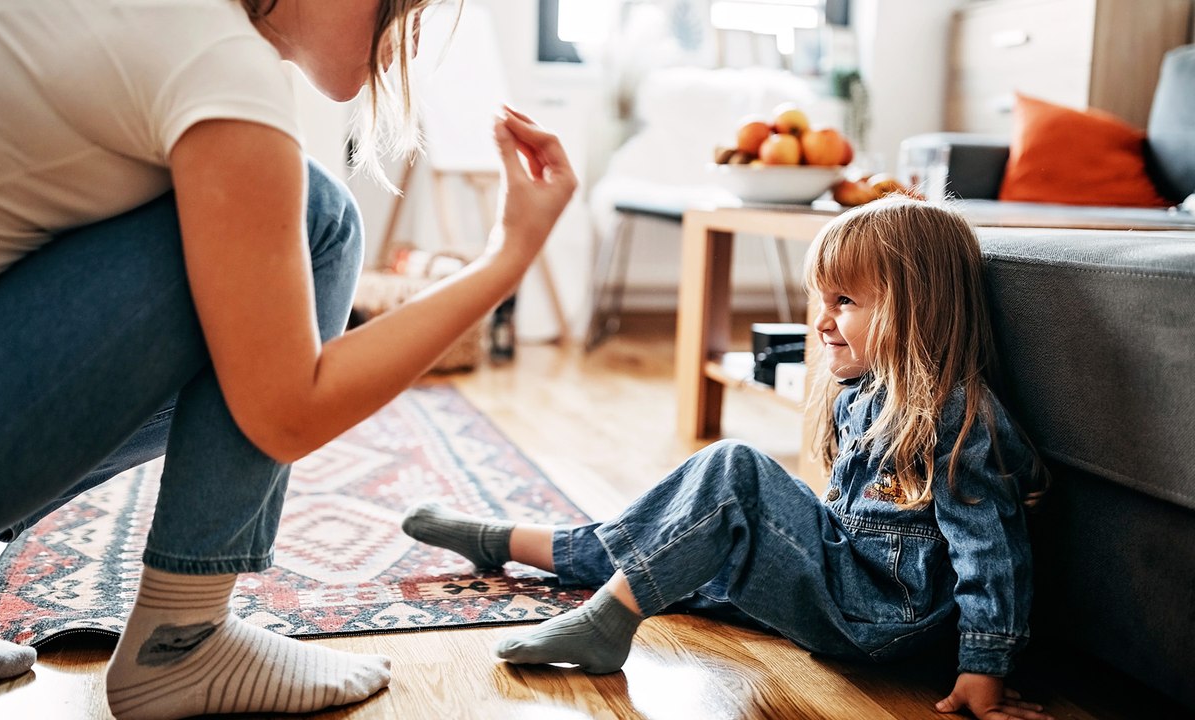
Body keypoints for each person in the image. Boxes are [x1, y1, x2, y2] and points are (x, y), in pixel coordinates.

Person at [0, 0, 575, 717]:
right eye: (409, 5)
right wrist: (505, 259)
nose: (412, 35)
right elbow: (287, 413)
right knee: (314, 215)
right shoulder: (217, 62)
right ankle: (183, 640)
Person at [404, 197, 1056, 720]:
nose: (822, 321)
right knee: (676, 532)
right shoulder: (865, 392)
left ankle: (606, 623)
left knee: (733, 472)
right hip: (845, 580)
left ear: (918, 309)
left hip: (878, 615)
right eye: (822, 300)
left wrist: (984, 668)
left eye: (846, 302)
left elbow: (991, 550)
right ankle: (509, 541)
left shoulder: (954, 416)